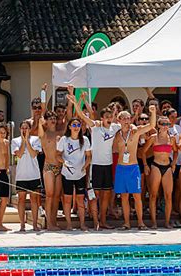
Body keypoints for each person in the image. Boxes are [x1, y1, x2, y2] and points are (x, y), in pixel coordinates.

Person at [70, 93, 120, 230]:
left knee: (106, 195)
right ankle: (96, 221)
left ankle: (103, 221)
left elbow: (128, 123)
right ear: (102, 118)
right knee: (94, 194)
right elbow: (82, 115)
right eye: (107, 117)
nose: (110, 119)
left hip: (108, 165)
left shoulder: (115, 128)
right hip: (96, 166)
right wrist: (77, 102)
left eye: (111, 117)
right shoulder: (95, 127)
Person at [114, 105, 157, 230]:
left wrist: (153, 112)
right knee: (124, 196)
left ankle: (140, 222)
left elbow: (151, 125)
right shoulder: (117, 134)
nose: (127, 121)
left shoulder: (135, 131)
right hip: (121, 168)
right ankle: (126, 223)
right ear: (119, 121)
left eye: (128, 118)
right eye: (124, 118)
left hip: (133, 167)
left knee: (137, 196)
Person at [56, 118, 92, 231]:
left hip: (80, 174)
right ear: (70, 127)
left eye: (78, 125)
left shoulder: (85, 140)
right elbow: (58, 155)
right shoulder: (64, 140)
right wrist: (64, 162)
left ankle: (82, 224)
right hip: (67, 174)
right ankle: (69, 224)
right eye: (74, 125)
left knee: (80, 200)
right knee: (67, 200)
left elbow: (89, 156)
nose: (76, 127)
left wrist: (84, 167)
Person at [142, 116, 178, 228]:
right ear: (158, 125)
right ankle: (154, 223)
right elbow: (143, 152)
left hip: (167, 166)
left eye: (167, 124)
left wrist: (173, 163)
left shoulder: (171, 138)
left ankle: (167, 222)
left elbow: (176, 151)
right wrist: (145, 165)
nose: (165, 126)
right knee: (153, 195)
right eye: (162, 124)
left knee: (168, 195)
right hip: (156, 165)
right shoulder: (153, 138)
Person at [12, 121, 42, 232]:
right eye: (22, 128)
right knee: (21, 200)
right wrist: (23, 142)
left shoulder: (35, 139)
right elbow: (18, 154)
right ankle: (22, 224)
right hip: (21, 175)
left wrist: (27, 141)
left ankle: (34, 224)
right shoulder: (15, 141)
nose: (24, 130)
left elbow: (34, 154)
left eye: (26, 128)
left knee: (34, 199)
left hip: (33, 174)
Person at [38, 111, 62, 230]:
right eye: (50, 118)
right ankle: (49, 223)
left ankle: (54, 220)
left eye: (54, 118)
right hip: (49, 167)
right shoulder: (44, 134)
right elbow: (40, 130)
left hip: (59, 167)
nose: (53, 120)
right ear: (46, 121)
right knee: (49, 195)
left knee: (57, 196)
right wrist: (40, 122)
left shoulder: (59, 134)